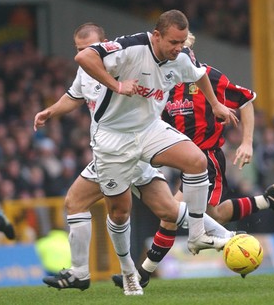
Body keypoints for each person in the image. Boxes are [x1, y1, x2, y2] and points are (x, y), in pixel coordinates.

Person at [36, 22, 231, 296]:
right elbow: (73, 96)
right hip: (112, 147)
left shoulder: (123, 53)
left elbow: (197, 73)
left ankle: (206, 235)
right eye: (79, 49)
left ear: (105, 43)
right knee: (131, 210)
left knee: (195, 162)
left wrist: (215, 104)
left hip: (145, 132)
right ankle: (127, 271)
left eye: (91, 46)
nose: (84, 53)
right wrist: (51, 112)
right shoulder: (87, 71)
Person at [112, 32, 274, 289]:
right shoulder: (162, 79)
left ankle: (141, 274)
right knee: (214, 214)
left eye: (183, 48)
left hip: (206, 159)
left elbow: (246, 99)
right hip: (182, 160)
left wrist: (246, 142)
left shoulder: (207, 76)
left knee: (171, 214)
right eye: (174, 48)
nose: (179, 54)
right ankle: (267, 200)